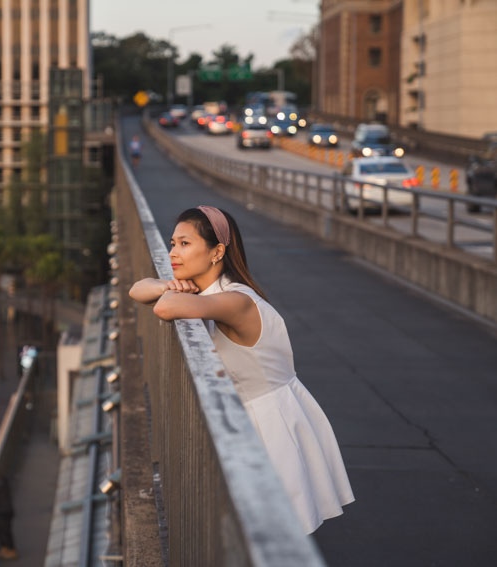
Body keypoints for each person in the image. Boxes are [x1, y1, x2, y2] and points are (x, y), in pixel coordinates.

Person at [128, 205, 355, 534]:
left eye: (185, 244)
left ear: (217, 251)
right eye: (172, 243)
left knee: (269, 537)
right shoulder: (216, 292)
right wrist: (171, 284)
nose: (173, 253)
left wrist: (172, 290)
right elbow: (137, 289)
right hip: (255, 414)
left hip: (269, 422)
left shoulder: (237, 300)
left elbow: (165, 307)